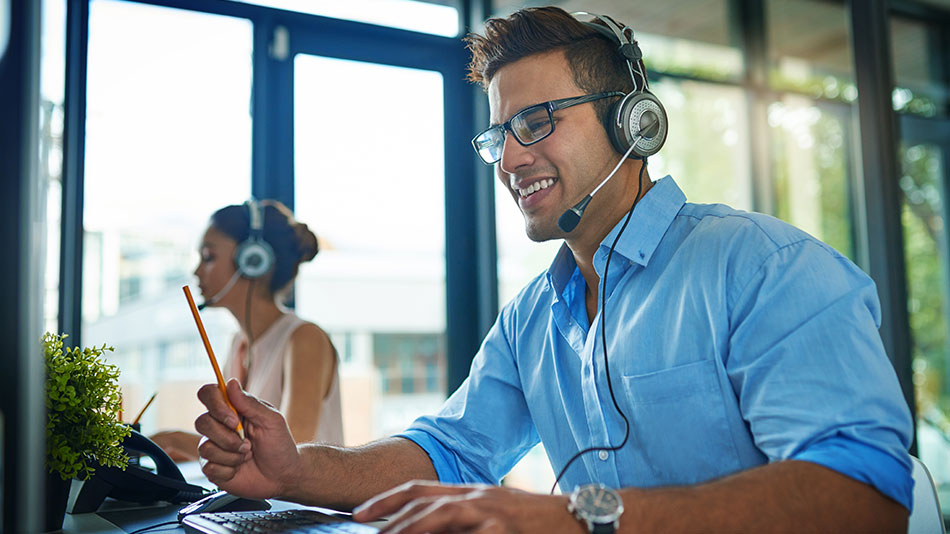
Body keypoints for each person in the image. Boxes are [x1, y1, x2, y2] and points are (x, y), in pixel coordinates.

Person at [192, 7, 913, 533]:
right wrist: (296, 471)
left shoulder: (764, 267)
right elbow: (450, 449)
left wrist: (581, 515)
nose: (509, 159)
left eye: (537, 122)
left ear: (635, 123)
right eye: (499, 136)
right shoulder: (534, 317)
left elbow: (864, 496)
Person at [152, 199, 343, 462]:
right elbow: (238, 446)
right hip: (263, 503)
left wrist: (182, 444)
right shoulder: (239, 344)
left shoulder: (304, 339)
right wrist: (175, 445)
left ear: (253, 260)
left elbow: (288, 456)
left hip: (304, 504)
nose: (196, 271)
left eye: (208, 257)